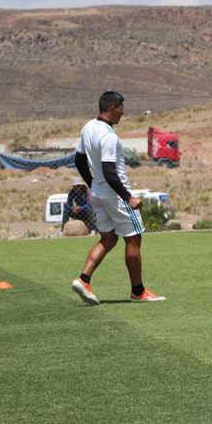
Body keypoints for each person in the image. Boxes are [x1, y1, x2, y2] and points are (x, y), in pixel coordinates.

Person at [69, 91, 164, 305]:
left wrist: (92, 183)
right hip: (115, 196)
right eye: (121, 107)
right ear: (112, 107)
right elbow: (110, 170)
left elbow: (79, 159)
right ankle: (138, 291)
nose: (123, 111)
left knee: (108, 239)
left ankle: (83, 279)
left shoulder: (88, 128)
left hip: (99, 194)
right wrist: (128, 197)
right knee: (133, 238)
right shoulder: (109, 136)